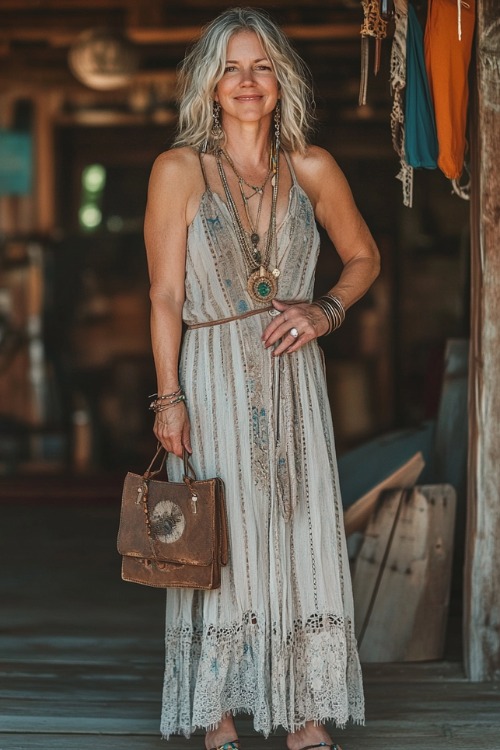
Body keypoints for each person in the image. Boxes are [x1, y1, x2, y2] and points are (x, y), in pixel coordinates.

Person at [144, 7, 380, 750]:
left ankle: (303, 713)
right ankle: (216, 713)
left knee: (298, 526)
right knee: (217, 539)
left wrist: (325, 311)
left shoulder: (311, 164)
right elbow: (164, 297)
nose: (248, 82)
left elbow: (364, 258)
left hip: (294, 376)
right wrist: (168, 398)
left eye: (263, 67)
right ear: (210, 85)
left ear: (281, 81)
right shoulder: (177, 169)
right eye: (232, 68)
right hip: (209, 373)